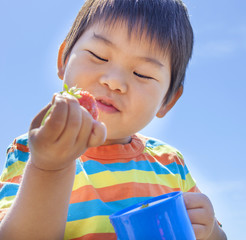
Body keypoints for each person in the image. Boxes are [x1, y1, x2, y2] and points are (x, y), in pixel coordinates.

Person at [0, 0, 227, 239]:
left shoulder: (170, 163)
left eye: (142, 73)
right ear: (64, 60)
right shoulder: (32, 150)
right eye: (98, 56)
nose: (114, 81)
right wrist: (49, 168)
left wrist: (210, 230)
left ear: (167, 101)